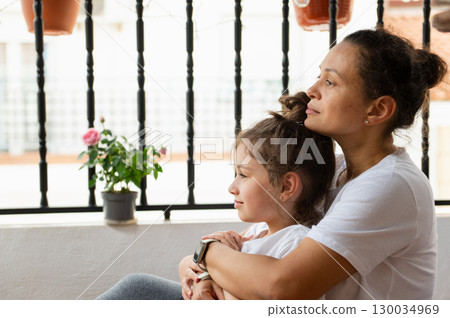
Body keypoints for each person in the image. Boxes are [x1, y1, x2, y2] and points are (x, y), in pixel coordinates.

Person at [179, 28, 447, 300]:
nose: (312, 90)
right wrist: (203, 270)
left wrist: (206, 251)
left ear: (377, 110)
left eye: (330, 82)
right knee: (138, 287)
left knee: (137, 289)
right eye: (319, 76)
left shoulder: (391, 184)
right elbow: (246, 250)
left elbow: (282, 287)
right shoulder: (334, 170)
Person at [97, 92, 336, 300]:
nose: (232, 187)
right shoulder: (257, 232)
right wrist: (199, 275)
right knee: (136, 286)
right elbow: (198, 263)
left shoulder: (295, 245)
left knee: (137, 289)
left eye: (243, 175)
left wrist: (216, 283)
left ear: (286, 187)